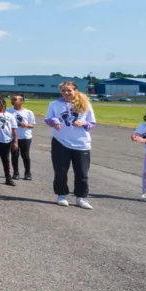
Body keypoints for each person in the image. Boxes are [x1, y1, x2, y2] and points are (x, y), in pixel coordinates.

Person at [44, 81, 96, 209]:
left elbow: (91, 123)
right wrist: (55, 121)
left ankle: (81, 197)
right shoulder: (54, 104)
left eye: (69, 90)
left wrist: (83, 123)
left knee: (82, 173)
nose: (66, 93)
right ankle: (62, 195)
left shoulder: (85, 104)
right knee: (60, 171)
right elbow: (48, 119)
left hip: (81, 143)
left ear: (75, 91)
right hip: (60, 141)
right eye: (63, 91)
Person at [10, 95, 34, 181]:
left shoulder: (28, 112)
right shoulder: (9, 111)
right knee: (14, 155)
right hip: (13, 137)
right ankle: (15, 172)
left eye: (15, 100)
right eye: (12, 99)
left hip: (25, 137)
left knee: (25, 155)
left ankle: (27, 173)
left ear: (21, 101)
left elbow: (32, 125)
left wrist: (26, 124)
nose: (13, 101)